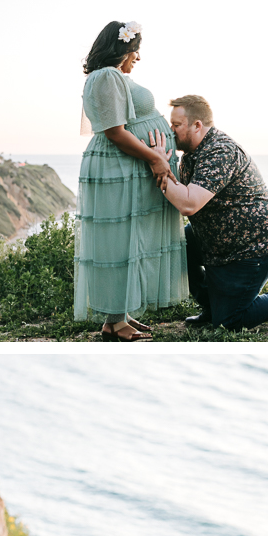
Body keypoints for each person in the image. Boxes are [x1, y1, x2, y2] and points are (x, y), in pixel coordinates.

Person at [149, 95, 268, 332]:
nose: (170, 131)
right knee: (177, 244)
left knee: (230, 322)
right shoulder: (190, 154)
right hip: (217, 242)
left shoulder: (221, 151)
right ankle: (211, 306)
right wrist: (160, 161)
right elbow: (178, 190)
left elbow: (188, 204)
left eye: (176, 125)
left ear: (197, 125)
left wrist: (161, 170)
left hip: (252, 246)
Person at [76, 21, 189, 341]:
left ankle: (118, 317)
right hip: (119, 169)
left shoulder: (107, 77)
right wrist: (155, 158)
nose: (137, 56)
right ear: (121, 47)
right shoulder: (107, 76)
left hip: (127, 168)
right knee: (120, 242)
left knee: (130, 240)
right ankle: (115, 320)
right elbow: (114, 131)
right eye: (134, 49)